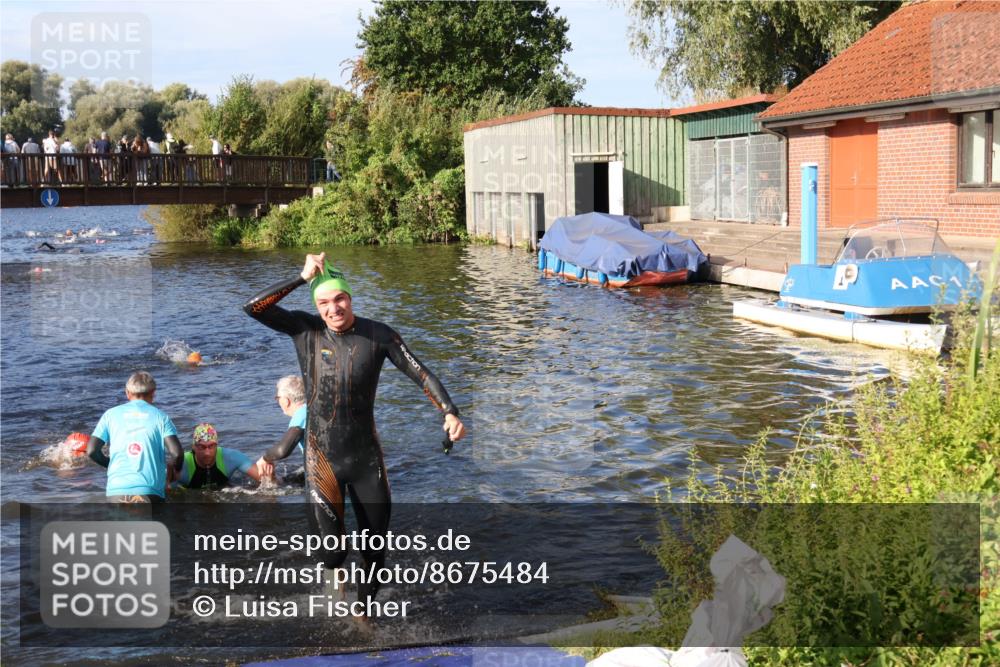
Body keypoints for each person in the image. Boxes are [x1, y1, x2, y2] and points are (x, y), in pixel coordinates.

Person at [244, 253, 466, 611]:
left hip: (365, 459)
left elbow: (420, 373)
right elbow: (254, 308)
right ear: (317, 307)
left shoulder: (379, 335)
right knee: (333, 555)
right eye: (325, 303)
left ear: (350, 298)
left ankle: (363, 614)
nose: (334, 309)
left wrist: (450, 412)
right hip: (323, 459)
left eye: (340, 299)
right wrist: (302, 278)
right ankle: (335, 575)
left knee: (375, 550)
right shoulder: (306, 330)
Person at [86, 371, 183, 503]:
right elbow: (177, 454)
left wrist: (110, 463)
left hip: (117, 490)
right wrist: (176, 471)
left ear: (127, 392)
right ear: (153, 393)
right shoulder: (161, 417)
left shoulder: (110, 415)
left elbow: (91, 451)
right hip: (150, 492)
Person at [174, 423, 266, 489]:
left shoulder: (231, 457)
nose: (207, 453)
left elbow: (267, 480)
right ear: (193, 447)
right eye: (202, 447)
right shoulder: (181, 465)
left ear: (217, 445)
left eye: (211, 446)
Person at [260, 375, 307, 483]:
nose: (278, 402)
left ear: (286, 400)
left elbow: (282, 451)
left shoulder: (301, 415)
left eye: (277, 398)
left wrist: (265, 459)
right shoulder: (312, 408)